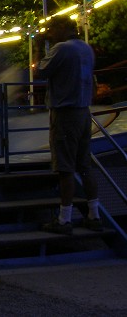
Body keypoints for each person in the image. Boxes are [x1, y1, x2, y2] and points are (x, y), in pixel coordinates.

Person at [35, 15, 102, 234]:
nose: (51, 32)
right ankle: (94, 214)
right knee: (84, 165)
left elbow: (41, 72)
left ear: (63, 27)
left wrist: (38, 46)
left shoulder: (61, 49)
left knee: (65, 167)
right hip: (83, 111)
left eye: (53, 28)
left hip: (65, 112)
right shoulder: (85, 49)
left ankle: (65, 219)